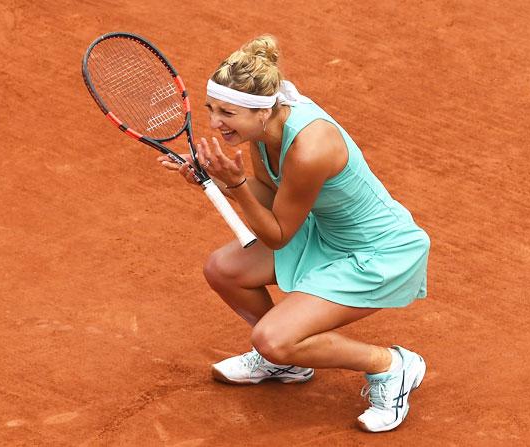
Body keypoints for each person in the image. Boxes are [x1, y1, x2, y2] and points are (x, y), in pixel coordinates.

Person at [158, 35, 430, 432]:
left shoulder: (309, 148)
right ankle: (285, 360)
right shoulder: (265, 130)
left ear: (262, 111)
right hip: (325, 233)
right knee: (223, 269)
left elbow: (278, 234)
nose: (215, 123)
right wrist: (217, 175)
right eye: (212, 109)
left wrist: (233, 185)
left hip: (378, 254)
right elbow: (270, 195)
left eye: (228, 114)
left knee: (271, 336)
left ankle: (391, 365)